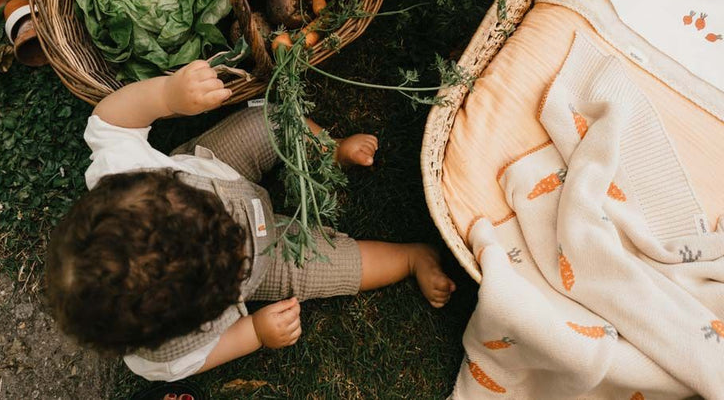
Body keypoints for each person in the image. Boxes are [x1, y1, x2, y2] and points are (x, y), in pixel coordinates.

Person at [45, 60, 456, 381]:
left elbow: (110, 121)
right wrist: (256, 333)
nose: (231, 229)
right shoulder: (163, 358)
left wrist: (167, 94)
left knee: (269, 122)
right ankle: (412, 258)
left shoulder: (119, 171)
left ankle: (327, 151)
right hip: (264, 261)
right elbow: (207, 353)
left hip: (218, 166)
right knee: (333, 267)